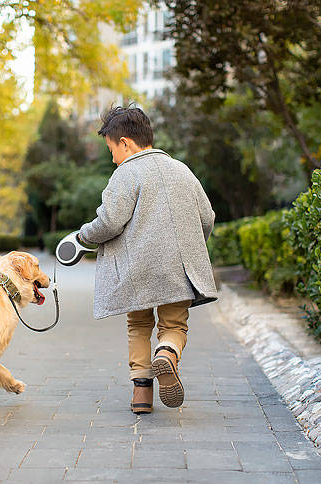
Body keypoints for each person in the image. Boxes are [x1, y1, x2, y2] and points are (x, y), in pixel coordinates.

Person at [78, 105, 217, 414]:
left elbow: (111, 222)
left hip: (137, 267)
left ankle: (142, 394)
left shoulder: (125, 173)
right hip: (179, 268)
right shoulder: (183, 170)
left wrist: (84, 236)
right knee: (174, 324)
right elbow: (207, 217)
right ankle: (166, 353)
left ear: (125, 143)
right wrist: (191, 246)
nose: (112, 157)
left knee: (138, 324)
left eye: (111, 149)